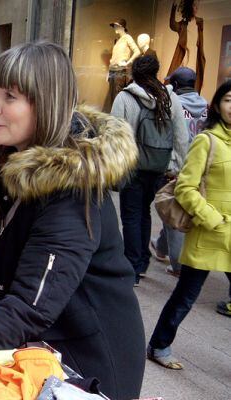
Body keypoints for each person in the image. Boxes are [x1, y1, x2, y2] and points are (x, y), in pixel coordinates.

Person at [0, 42, 146, 399]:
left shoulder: (72, 189)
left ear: (46, 103)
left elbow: (28, 308)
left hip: (85, 366)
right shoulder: (20, 165)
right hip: (43, 349)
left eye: (10, 97)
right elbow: (20, 251)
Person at [147, 80, 231, 370]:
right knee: (185, 296)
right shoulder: (207, 141)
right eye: (228, 100)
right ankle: (159, 345)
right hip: (209, 233)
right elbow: (185, 188)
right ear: (217, 105)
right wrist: (211, 218)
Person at [111, 55, 189, 284]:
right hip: (159, 167)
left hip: (132, 167)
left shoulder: (125, 98)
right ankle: (142, 263)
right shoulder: (169, 98)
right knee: (144, 212)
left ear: (133, 72)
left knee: (131, 216)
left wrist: (114, 166)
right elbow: (181, 136)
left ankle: (133, 267)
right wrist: (177, 165)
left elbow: (114, 136)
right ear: (157, 72)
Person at [151, 66, 208, 276]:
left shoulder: (172, 105)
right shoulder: (208, 106)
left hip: (179, 167)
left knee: (174, 211)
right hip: (202, 168)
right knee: (173, 208)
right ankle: (161, 247)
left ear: (175, 85)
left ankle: (178, 266)